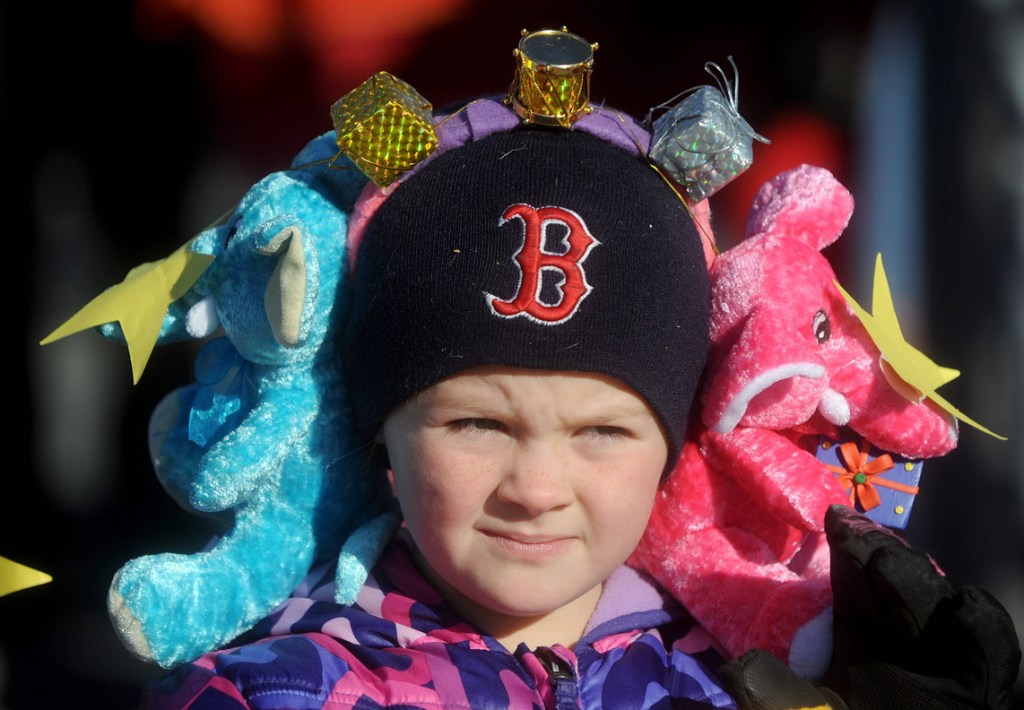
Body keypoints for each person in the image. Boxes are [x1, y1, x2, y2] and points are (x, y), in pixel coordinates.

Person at [134, 34, 1020, 710]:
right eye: (478, 423)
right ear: (380, 431)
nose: (536, 488)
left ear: (674, 447)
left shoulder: (745, 682)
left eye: (602, 430)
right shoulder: (282, 691)